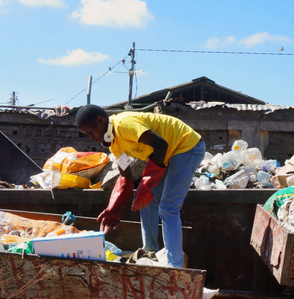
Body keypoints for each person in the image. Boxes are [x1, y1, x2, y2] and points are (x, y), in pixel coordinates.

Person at [75, 105, 205, 268]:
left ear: (99, 121)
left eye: (90, 132)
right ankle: (150, 253)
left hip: (186, 146)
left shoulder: (124, 124)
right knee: (147, 202)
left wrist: (146, 185)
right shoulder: (114, 142)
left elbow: (160, 145)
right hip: (167, 153)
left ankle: (175, 267)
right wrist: (114, 208)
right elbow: (126, 175)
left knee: (168, 207)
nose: (90, 137)